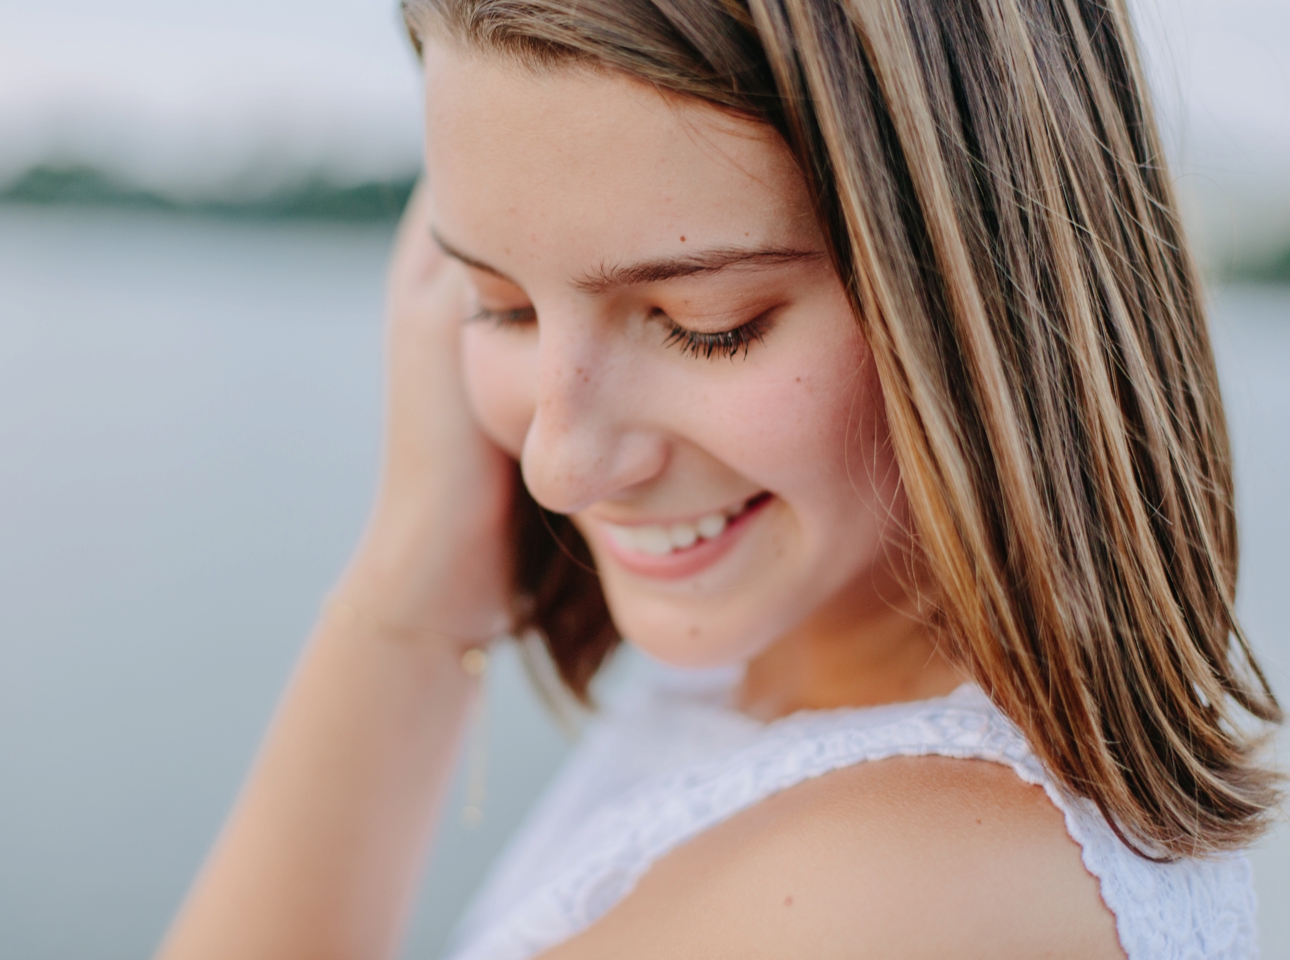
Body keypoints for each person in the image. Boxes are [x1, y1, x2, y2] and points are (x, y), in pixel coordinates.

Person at [155, 1, 1283, 957]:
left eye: (710, 324)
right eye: (499, 302)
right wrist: (425, 558)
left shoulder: (886, 899)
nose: (558, 463)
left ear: (981, 292)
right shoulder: (790, 680)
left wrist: (409, 595)